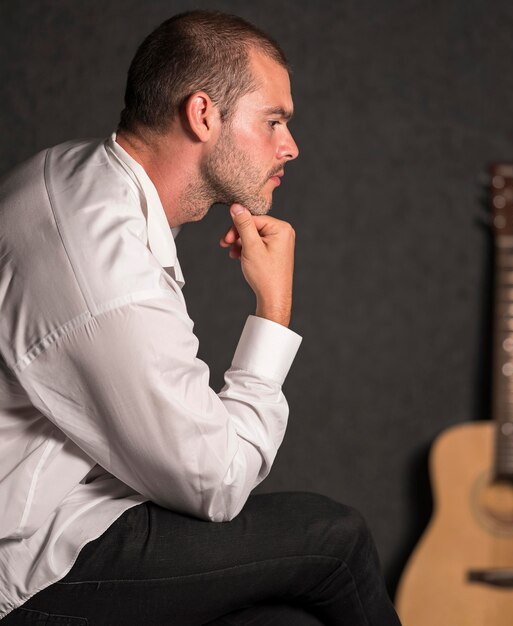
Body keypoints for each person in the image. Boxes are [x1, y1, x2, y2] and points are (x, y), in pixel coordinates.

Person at [0, 10, 401, 626]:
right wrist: (274, 310)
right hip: (32, 566)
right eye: (274, 121)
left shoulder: (64, 169)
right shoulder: (113, 283)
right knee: (337, 541)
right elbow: (216, 483)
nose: (290, 146)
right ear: (204, 114)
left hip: (72, 505)